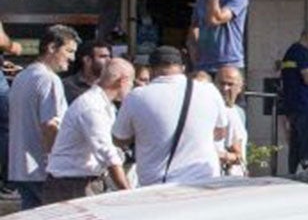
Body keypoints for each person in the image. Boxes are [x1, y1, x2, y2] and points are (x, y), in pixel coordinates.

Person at [113, 46, 231, 186]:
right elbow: (221, 133)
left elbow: (119, 139)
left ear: (151, 70)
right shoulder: (209, 91)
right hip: (203, 182)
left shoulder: (137, 96)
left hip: (157, 185)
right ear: (183, 68)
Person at [6, 25, 80, 209]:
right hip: (41, 170)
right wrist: (56, 165)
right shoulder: (49, 79)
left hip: (21, 168)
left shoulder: (23, 76)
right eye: (69, 51)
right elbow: (50, 126)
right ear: (52, 48)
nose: (72, 58)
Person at [44, 57, 135, 196]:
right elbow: (107, 153)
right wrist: (128, 192)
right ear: (122, 81)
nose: (131, 88)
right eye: (131, 83)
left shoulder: (103, 105)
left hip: (79, 181)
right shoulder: (92, 107)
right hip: (72, 184)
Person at [277, 22, 308, 174]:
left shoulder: (292, 51)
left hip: (294, 108)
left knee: (296, 151)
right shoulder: (302, 53)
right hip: (305, 109)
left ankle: (294, 177)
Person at [188, 0, 248, 74]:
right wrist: (193, 47)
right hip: (203, 65)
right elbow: (194, 26)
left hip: (229, 64)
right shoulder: (201, 0)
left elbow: (215, 19)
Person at [216, 64, 249, 173]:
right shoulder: (210, 112)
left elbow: (239, 152)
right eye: (221, 84)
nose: (225, 88)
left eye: (230, 84)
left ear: (240, 87)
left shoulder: (239, 112)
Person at [62, 38, 112, 103]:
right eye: (103, 57)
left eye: (109, 56)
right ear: (87, 60)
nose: (109, 61)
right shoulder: (68, 86)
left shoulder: (111, 85)